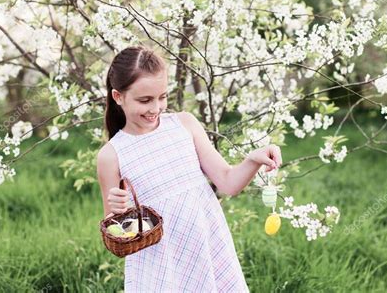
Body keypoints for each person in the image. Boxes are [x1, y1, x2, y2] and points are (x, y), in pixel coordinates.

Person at [96, 46, 282, 292]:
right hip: (159, 262)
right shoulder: (111, 155)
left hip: (205, 247)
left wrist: (253, 159)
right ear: (118, 97)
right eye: (145, 100)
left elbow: (228, 182)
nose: (155, 108)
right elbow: (116, 231)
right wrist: (118, 211)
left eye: (162, 97)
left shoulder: (184, 124)